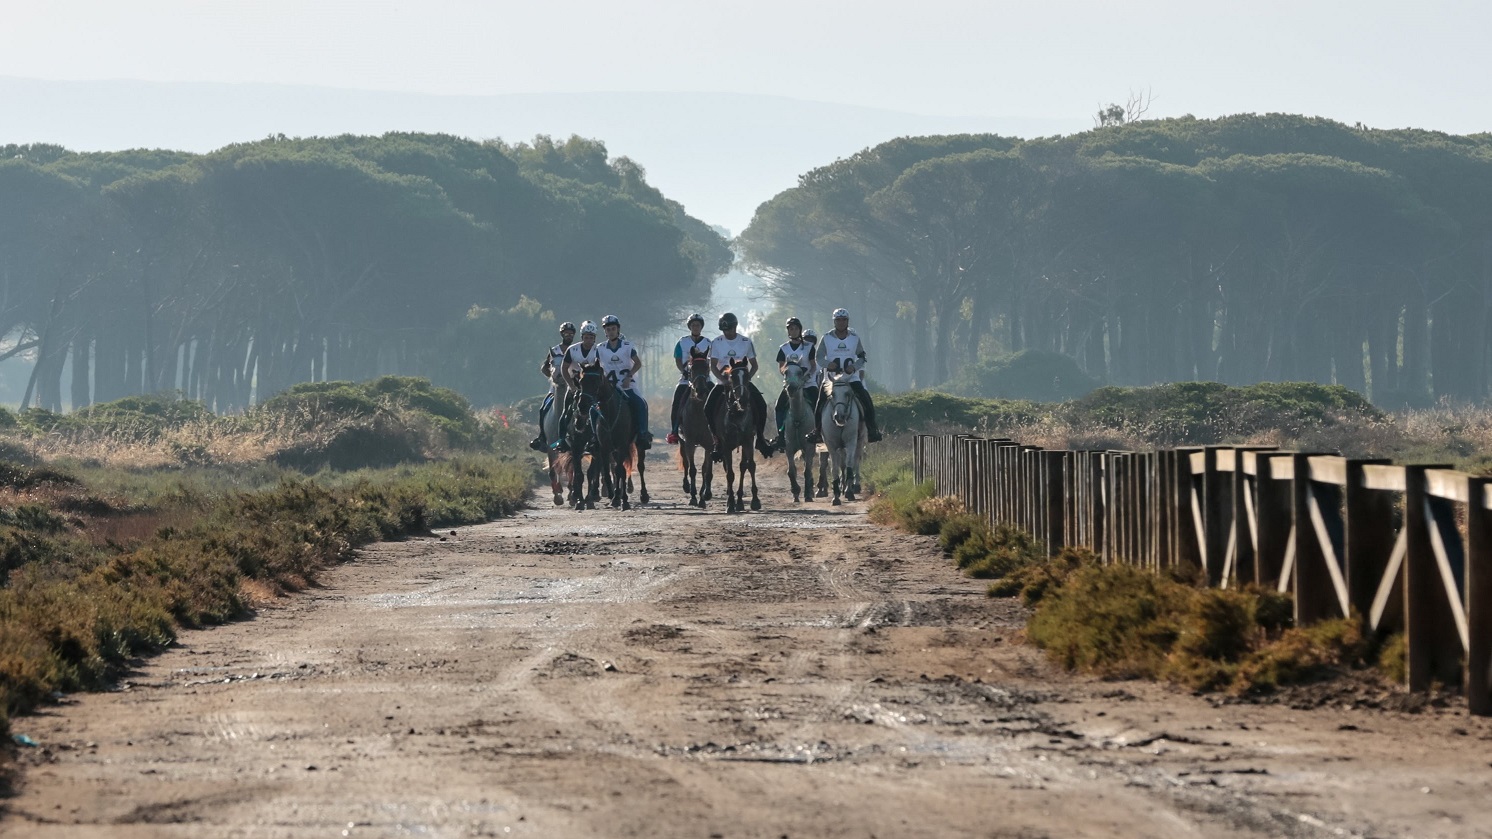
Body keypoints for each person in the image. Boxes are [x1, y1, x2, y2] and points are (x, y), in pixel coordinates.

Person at [704, 312, 774, 460]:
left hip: (742, 382)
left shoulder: (745, 342)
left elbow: (754, 365)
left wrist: (747, 379)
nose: (727, 332)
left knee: (761, 404)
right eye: (724, 330)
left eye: (729, 329)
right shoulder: (716, 342)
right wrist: (722, 379)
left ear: (735, 327)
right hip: (724, 382)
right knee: (708, 407)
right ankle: (717, 440)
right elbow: (713, 365)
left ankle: (760, 439)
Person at [817, 307, 883, 442]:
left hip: (850, 378)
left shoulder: (854, 338)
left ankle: (872, 429)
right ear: (834, 322)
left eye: (844, 320)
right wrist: (828, 364)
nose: (841, 323)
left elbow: (862, 357)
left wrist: (853, 367)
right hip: (831, 380)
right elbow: (818, 358)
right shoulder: (826, 338)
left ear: (847, 321)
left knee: (866, 399)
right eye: (838, 320)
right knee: (820, 402)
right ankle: (816, 431)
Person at [597, 314, 652, 450]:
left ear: (618, 330)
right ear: (605, 332)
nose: (611, 332)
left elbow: (638, 363)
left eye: (613, 329)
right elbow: (596, 366)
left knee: (641, 404)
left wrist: (629, 376)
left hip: (627, 386)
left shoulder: (627, 346)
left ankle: (642, 434)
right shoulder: (600, 348)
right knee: (593, 409)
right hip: (609, 387)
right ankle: (594, 437)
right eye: (608, 329)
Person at [554, 321, 602, 452]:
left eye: (591, 338)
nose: (589, 340)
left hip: (591, 389)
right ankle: (561, 440)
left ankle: (597, 437)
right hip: (575, 386)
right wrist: (571, 385)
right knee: (566, 413)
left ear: (595, 338)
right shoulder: (572, 350)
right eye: (586, 337)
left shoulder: (598, 351)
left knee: (599, 411)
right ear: (582, 337)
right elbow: (564, 369)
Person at [773, 317, 819, 451]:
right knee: (779, 406)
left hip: (807, 383)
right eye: (791, 329)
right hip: (791, 384)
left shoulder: (809, 347)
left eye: (796, 329)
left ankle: (818, 431)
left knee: (819, 403)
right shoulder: (783, 348)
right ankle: (781, 436)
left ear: (800, 330)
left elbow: (813, 365)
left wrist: (807, 376)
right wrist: (787, 372)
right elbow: (781, 367)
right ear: (788, 331)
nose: (793, 331)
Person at [530, 321, 576, 451]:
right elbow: (544, 368)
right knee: (543, 409)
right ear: (562, 334)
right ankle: (542, 437)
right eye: (566, 333)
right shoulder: (554, 350)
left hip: (572, 388)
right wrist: (553, 378)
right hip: (555, 389)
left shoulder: (575, 350)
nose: (569, 336)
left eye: (571, 334)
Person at [666, 313, 712, 445]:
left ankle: (717, 431)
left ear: (701, 327)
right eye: (693, 325)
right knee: (677, 402)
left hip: (704, 379)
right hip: (687, 380)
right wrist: (683, 371)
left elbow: (712, 361)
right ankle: (674, 431)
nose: (695, 327)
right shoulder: (682, 342)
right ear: (690, 327)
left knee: (718, 398)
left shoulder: (708, 342)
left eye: (698, 325)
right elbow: (678, 359)